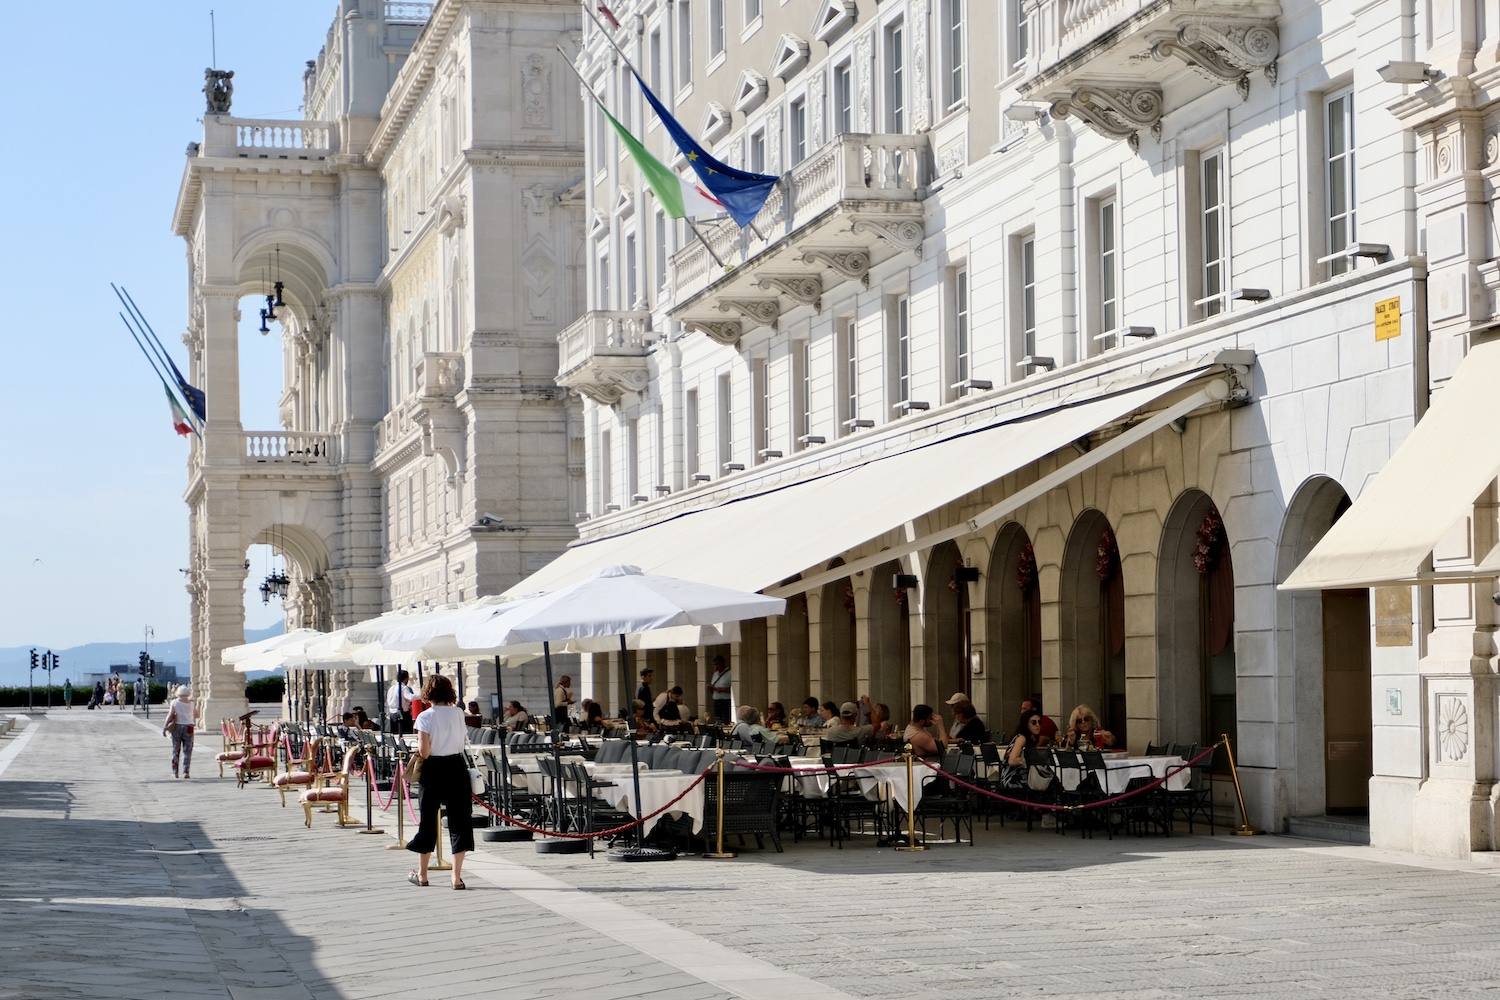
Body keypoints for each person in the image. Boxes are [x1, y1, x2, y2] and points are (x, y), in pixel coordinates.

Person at [404, 674, 472, 890]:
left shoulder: (425, 716)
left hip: (433, 769)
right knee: (460, 820)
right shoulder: (459, 713)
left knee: (428, 821)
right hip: (456, 767)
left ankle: (423, 874)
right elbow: (461, 741)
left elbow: (424, 752)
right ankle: (456, 876)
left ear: (427, 693)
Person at [162, 685, 198, 779]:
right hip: (189, 727)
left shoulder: (174, 702)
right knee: (187, 750)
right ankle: (186, 771)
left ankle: (175, 772)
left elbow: (170, 715)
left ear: (178, 693)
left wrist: (165, 726)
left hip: (177, 727)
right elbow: (197, 715)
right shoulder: (191, 703)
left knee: (176, 749)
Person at [1003, 710, 1045, 787]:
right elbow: (1012, 761)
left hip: (1023, 776)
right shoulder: (1021, 738)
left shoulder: (1031, 738)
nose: (1037, 725)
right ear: (1026, 724)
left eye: (1040, 722)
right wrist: (1029, 761)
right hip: (1014, 779)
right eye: (1033, 722)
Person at [386, 670, 416, 734]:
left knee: (395, 733)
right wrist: (421, 696)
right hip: (402, 714)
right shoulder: (403, 688)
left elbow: (388, 701)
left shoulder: (391, 688)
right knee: (405, 733)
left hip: (392, 714)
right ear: (406, 679)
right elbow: (409, 697)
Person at [708, 654, 732, 724]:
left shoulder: (730, 673)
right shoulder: (715, 674)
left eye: (717, 664)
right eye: (714, 665)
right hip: (716, 700)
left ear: (722, 663)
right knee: (718, 720)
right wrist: (711, 688)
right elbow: (713, 691)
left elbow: (734, 689)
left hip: (726, 701)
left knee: (726, 720)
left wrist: (722, 690)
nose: (716, 666)